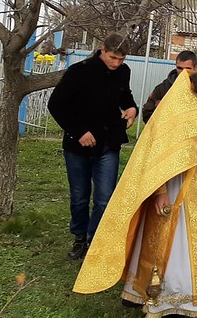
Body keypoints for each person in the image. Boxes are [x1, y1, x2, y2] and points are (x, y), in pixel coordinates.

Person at [73, 49, 197, 318]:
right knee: (177, 247)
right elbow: (157, 148)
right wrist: (159, 192)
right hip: (173, 184)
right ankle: (169, 302)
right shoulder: (181, 100)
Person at [48, 32, 138, 260]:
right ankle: (79, 238)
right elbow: (56, 104)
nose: (117, 63)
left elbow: (124, 96)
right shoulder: (80, 71)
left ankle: (95, 240)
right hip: (77, 147)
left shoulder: (123, 72)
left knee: (105, 197)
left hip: (108, 144)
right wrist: (78, 132)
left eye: (122, 59)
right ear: (102, 50)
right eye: (113, 57)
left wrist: (131, 108)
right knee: (79, 196)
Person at [141, 51, 197, 123]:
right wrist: (159, 111)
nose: (183, 72)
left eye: (187, 69)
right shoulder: (163, 88)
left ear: (196, 67)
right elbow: (147, 114)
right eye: (179, 68)